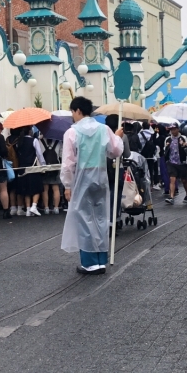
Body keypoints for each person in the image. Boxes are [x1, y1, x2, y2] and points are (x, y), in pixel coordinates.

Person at [60, 97, 124, 275]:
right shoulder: (103, 129)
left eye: (72, 112)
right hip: (100, 177)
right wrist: (117, 137)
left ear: (78, 111)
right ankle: (101, 260)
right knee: (101, 217)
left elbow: (68, 163)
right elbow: (115, 151)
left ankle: (89, 263)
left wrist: (67, 185)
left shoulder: (71, 133)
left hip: (81, 179)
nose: (72, 116)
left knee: (84, 219)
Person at [14, 126, 46, 216]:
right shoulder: (34, 140)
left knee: (26, 190)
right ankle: (34, 206)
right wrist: (43, 165)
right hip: (33, 167)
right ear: (30, 131)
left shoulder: (18, 142)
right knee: (37, 188)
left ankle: (28, 210)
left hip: (22, 168)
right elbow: (39, 154)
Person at [162, 124, 187, 205]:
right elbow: (165, 150)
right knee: (172, 179)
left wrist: (185, 146)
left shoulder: (183, 138)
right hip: (171, 162)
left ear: (178, 129)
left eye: (174, 129)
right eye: (171, 129)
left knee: (184, 180)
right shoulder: (168, 139)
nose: (173, 131)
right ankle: (171, 197)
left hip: (181, 163)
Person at [40, 129, 63, 215]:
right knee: (55, 188)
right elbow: (61, 155)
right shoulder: (58, 141)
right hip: (55, 167)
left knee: (45, 189)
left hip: (44, 167)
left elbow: (38, 154)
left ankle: (46, 208)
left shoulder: (40, 140)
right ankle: (56, 208)